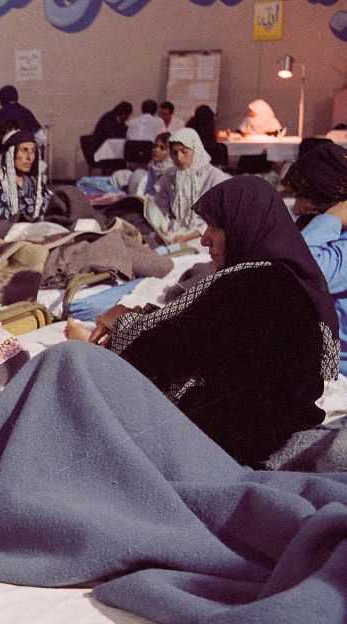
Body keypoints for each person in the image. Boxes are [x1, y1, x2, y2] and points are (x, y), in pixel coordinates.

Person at [68, 177, 338, 467]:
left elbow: (161, 352)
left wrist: (122, 321)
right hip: (264, 431)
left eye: (215, 227)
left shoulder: (252, 285)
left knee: (71, 369)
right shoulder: (279, 279)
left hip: (232, 444)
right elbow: (199, 330)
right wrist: (140, 318)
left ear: (243, 226)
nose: (204, 238)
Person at [282, 143, 347, 375]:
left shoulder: (330, 229)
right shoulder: (320, 226)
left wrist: (331, 220)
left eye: (303, 197)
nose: (297, 208)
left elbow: (303, 268)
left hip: (338, 370)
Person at [151, 128, 230, 240]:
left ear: (195, 149)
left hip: (204, 236)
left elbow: (220, 218)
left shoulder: (215, 177)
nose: (179, 158)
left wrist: (188, 236)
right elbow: (161, 208)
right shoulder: (169, 175)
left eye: (184, 151)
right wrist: (162, 229)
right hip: (174, 233)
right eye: (174, 153)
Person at [0, 126, 49, 223]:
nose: (29, 157)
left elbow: (47, 212)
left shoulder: (35, 183)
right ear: (11, 153)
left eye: (33, 151)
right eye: (24, 150)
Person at [125, 132, 173, 197]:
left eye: (162, 148)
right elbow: (149, 190)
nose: (156, 150)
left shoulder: (172, 170)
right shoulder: (154, 166)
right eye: (155, 146)